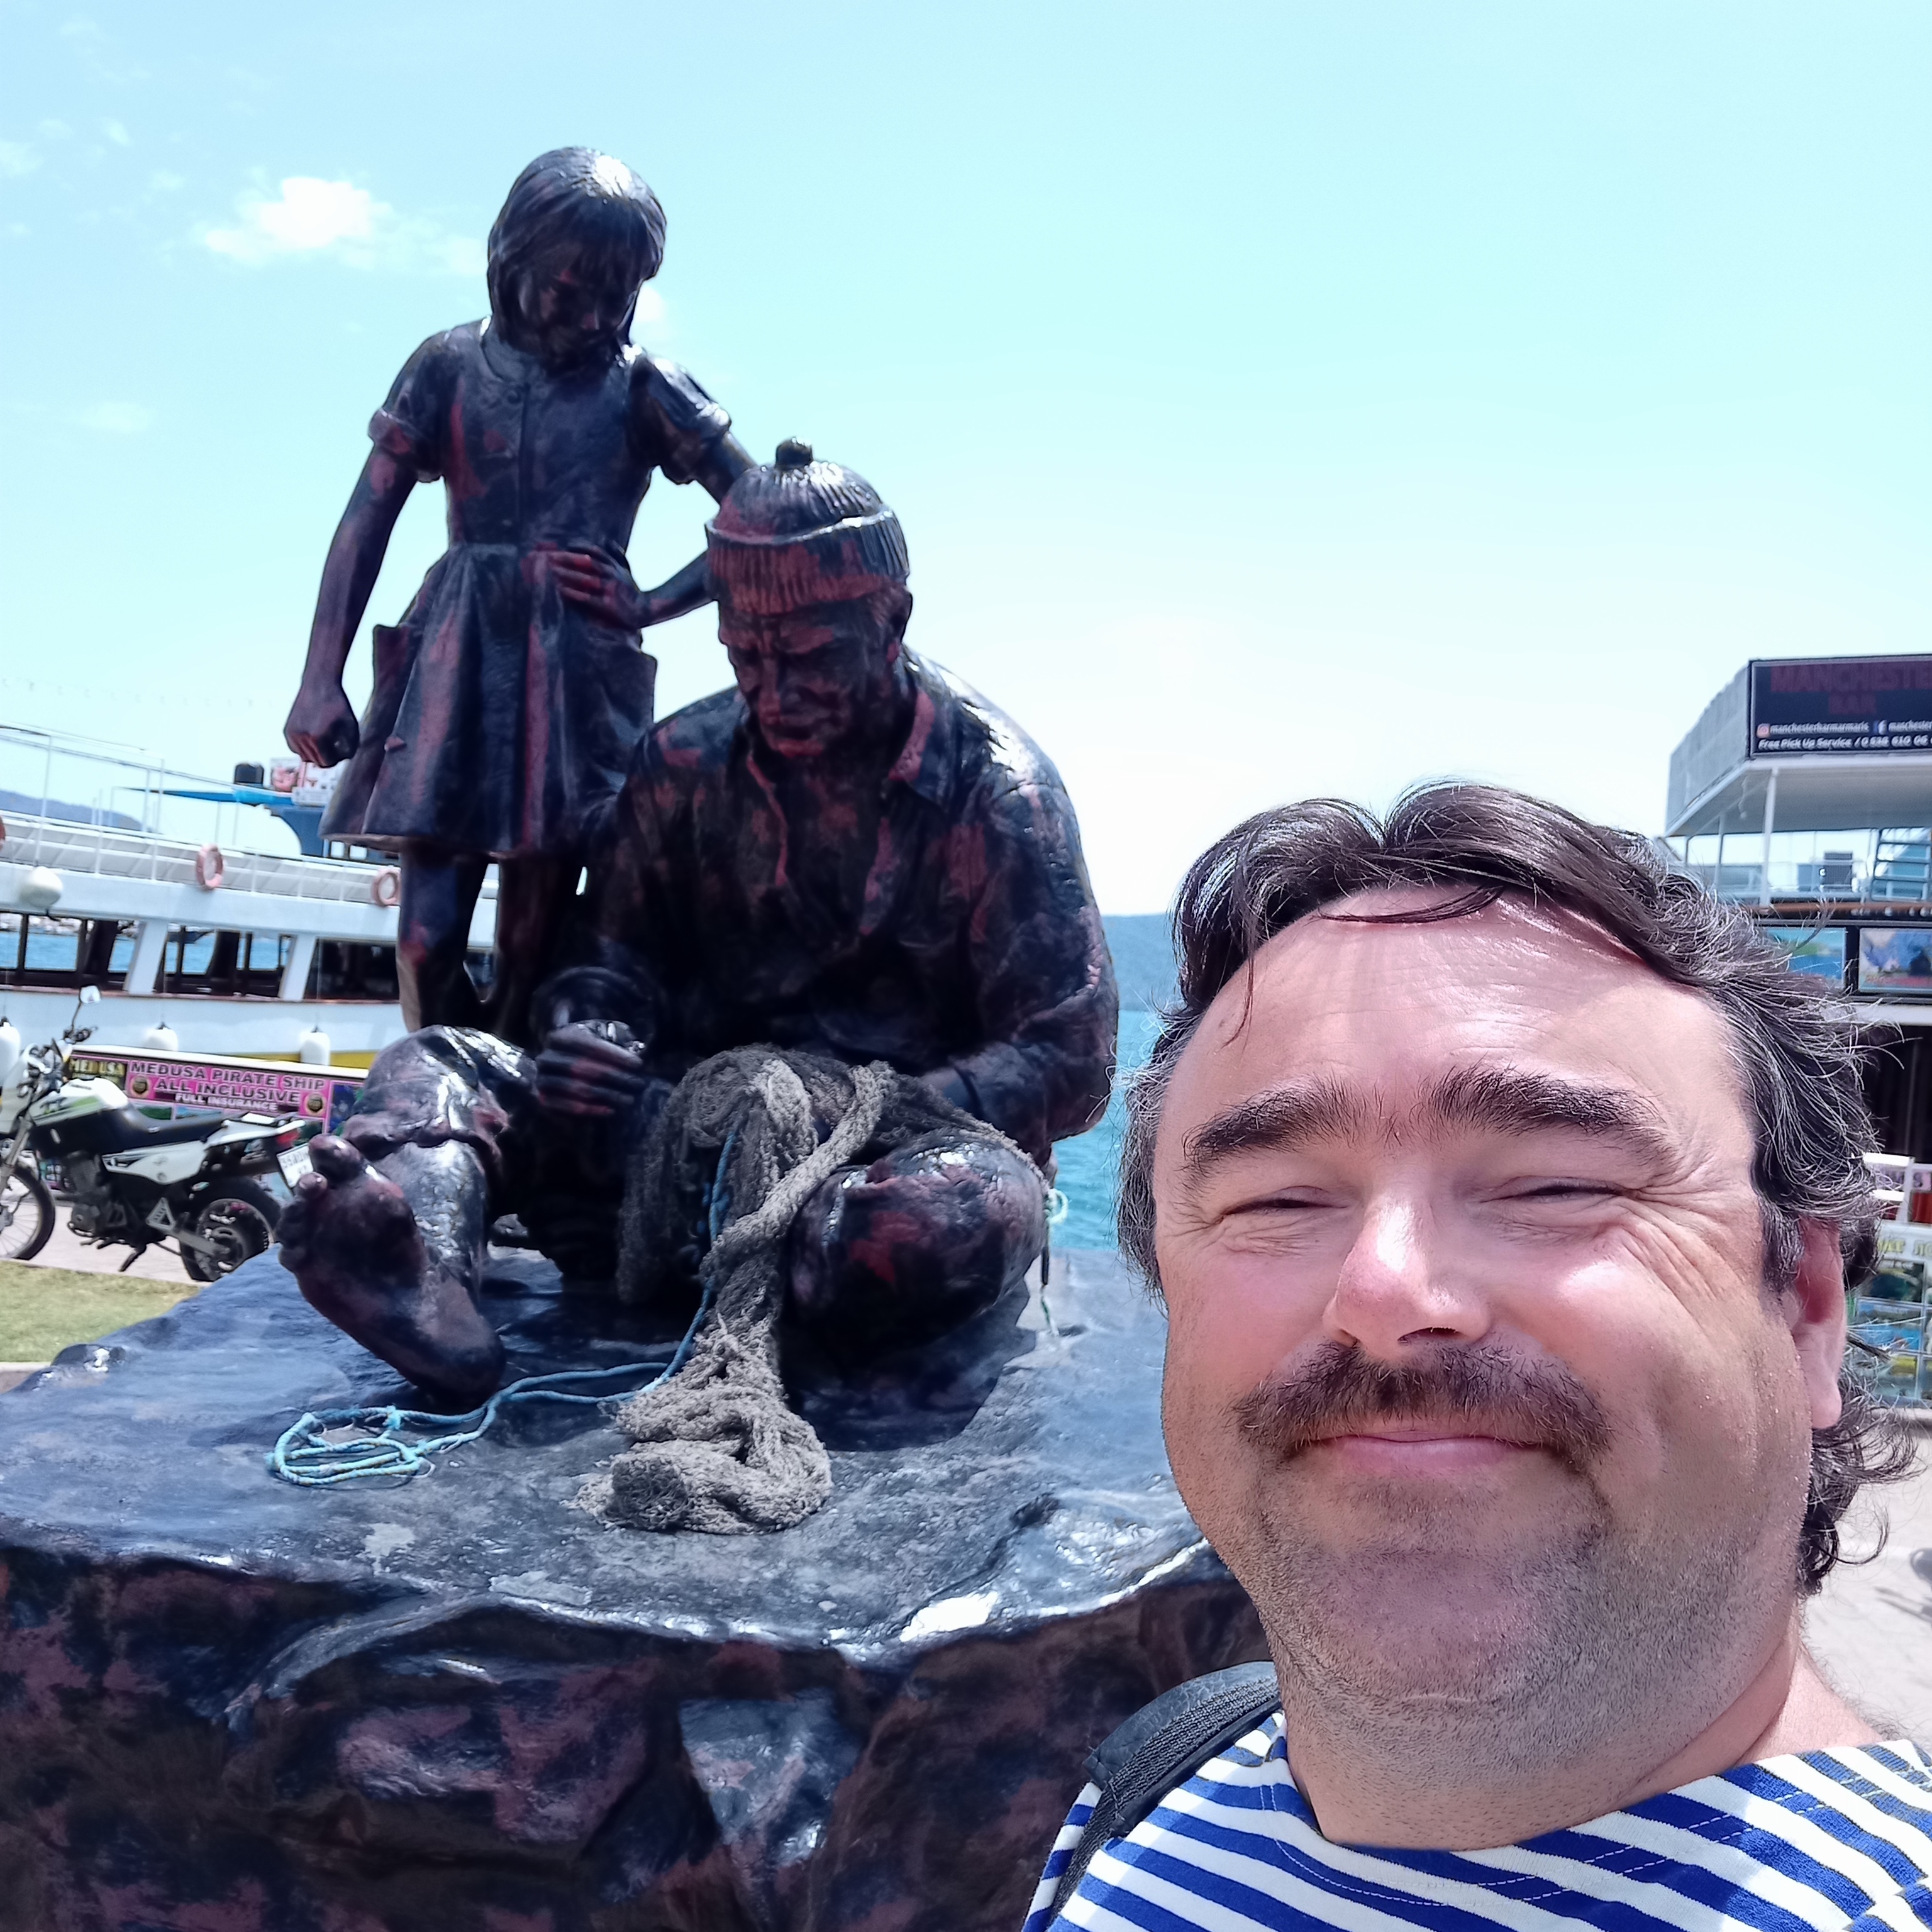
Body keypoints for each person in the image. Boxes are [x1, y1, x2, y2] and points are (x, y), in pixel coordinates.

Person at [1027, 784, 1929, 1931]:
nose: (1386, 1292)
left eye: (1556, 1186)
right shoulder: (1135, 1809)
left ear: (1806, 1308)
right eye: (1278, 1201)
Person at [278, 446, 1116, 1411]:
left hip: (881, 1164)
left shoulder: (999, 795)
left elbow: (1071, 1055)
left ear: (891, 622)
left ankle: (759, 1261)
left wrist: (850, 1121)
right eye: (746, 657)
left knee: (944, 1216)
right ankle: (423, 1274)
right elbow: (608, 961)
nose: (774, 691)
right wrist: (595, 1035)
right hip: (680, 1129)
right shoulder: (679, 762)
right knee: (438, 1065)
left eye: (809, 658)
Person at [283, 148, 752, 1045]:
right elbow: (365, 518)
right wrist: (318, 677)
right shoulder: (448, 364)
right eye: (570, 290)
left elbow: (766, 514)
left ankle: (505, 1102)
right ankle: (444, 1074)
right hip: (456, 653)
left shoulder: (646, 385)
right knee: (423, 943)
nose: (594, 317)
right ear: (511, 257)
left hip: (577, 667)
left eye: (617, 295)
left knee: (532, 951)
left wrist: (652, 602)